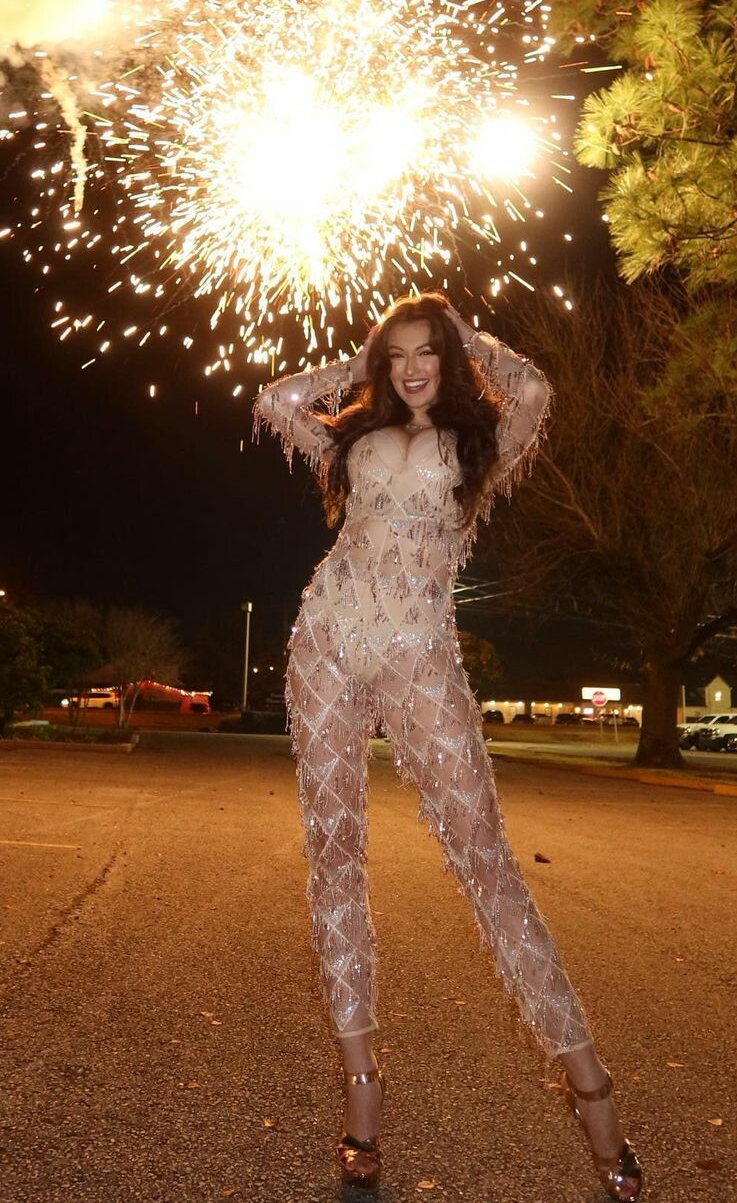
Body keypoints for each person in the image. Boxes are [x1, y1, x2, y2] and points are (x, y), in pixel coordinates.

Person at [252, 290, 642, 1197]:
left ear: (451, 358)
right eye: (398, 356)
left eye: (427, 352)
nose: (412, 369)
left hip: (421, 655)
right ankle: (362, 1089)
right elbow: (276, 400)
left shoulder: (480, 445)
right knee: (335, 853)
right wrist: (360, 361)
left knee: (486, 861)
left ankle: (591, 1088)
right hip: (326, 641)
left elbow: (534, 388)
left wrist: (462, 332)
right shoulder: (351, 441)